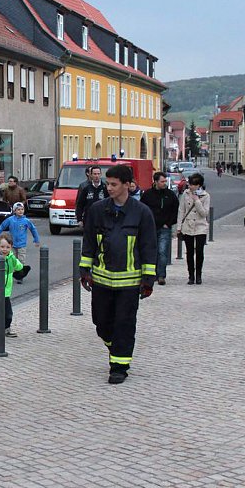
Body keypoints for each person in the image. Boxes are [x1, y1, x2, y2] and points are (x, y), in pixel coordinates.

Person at [78, 164, 157, 385]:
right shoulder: (97, 210)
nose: (109, 188)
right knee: (101, 323)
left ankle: (119, 367)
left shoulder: (142, 213)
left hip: (129, 283)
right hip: (102, 280)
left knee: (124, 323)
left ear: (127, 185)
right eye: (107, 183)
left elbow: (148, 247)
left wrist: (148, 279)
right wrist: (84, 270)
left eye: (114, 184)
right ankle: (115, 346)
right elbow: (90, 243)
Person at [140, 172, 179, 285]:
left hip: (164, 227)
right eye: (162, 181)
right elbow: (142, 210)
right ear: (155, 182)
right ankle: (152, 274)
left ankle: (161, 275)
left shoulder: (170, 195)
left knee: (162, 251)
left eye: (165, 181)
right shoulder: (147, 195)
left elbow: (175, 210)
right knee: (151, 251)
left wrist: (169, 223)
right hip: (150, 227)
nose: (164, 183)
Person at [176, 173, 210, 285]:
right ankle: (191, 275)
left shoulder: (205, 196)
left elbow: (204, 213)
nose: (189, 186)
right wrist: (179, 227)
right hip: (188, 226)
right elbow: (181, 210)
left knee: (199, 252)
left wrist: (197, 201)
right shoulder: (185, 194)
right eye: (189, 184)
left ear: (198, 185)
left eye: (192, 184)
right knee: (189, 252)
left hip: (200, 226)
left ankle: (199, 275)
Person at [0, 201, 40, 283]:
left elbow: (33, 229)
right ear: (14, 211)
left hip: (22, 245)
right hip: (12, 244)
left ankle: (20, 276)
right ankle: (11, 274)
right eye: (18, 209)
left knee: (21, 260)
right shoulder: (10, 220)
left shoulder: (26, 221)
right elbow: (2, 226)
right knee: (12, 260)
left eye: (22, 209)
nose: (20, 211)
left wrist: (36, 239)